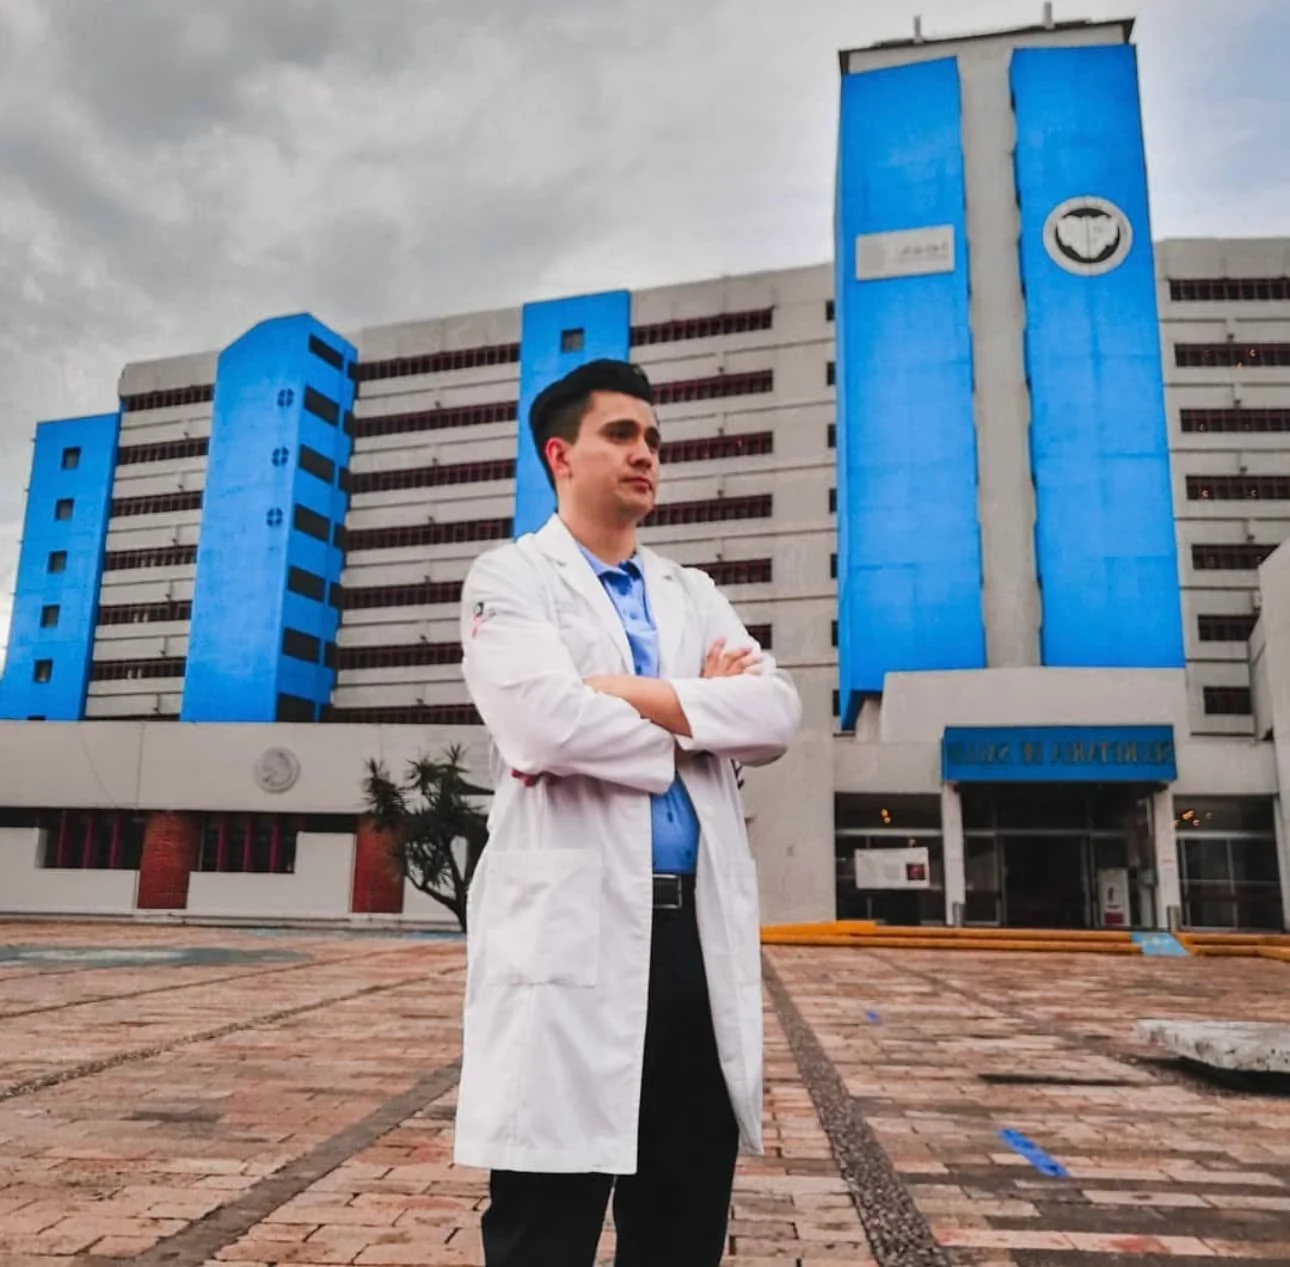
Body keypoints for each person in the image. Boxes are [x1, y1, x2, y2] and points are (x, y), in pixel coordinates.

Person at [454, 358, 801, 1266]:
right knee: (544, 1230)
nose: (646, 453)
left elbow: (776, 715)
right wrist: (690, 719)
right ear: (559, 454)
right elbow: (540, 724)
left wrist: (625, 692)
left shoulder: (691, 592)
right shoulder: (509, 577)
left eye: (653, 439)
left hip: (691, 945)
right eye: (623, 434)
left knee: (683, 1228)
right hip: (571, 938)